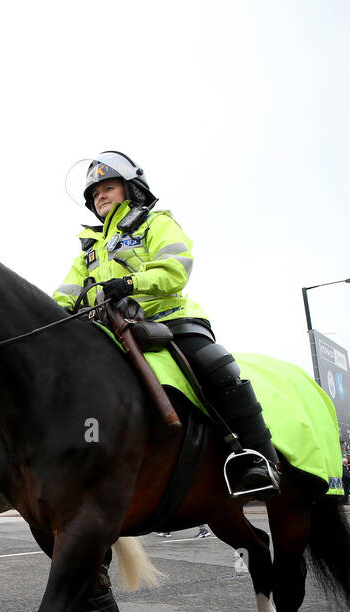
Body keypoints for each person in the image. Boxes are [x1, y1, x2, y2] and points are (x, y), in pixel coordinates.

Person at [53, 151, 280, 499]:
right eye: (95, 193)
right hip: (112, 330)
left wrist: (130, 284)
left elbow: (176, 268)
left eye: (107, 188)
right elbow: (66, 293)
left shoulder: (155, 223)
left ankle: (259, 459)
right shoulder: (89, 249)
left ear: (131, 189)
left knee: (215, 365)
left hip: (169, 320)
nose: (100, 196)